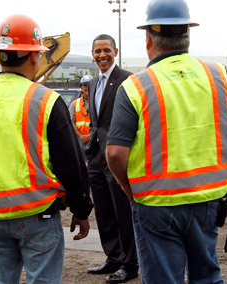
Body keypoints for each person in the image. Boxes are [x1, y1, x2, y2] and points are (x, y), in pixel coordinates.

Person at [105, 0, 227, 282]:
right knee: (207, 275)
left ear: (149, 39)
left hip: (155, 202)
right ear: (187, 35)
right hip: (209, 197)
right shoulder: (220, 76)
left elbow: (115, 153)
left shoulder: (136, 85)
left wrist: (130, 190)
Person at [0, 15, 93, 284]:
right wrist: (81, 208)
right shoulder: (46, 99)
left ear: (0, 56)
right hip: (37, 213)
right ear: (33, 57)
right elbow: (70, 163)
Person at [85, 34, 138, 283]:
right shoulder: (94, 82)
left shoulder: (127, 79)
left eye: (106, 50)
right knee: (104, 212)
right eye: (97, 51)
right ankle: (113, 257)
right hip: (96, 157)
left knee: (122, 212)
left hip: (117, 157)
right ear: (93, 54)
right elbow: (97, 122)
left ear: (115, 51)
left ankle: (130, 263)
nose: (102, 55)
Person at [69, 74, 93, 159]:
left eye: (89, 85)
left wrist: (90, 137)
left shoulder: (98, 103)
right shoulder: (75, 104)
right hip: (80, 141)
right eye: (85, 85)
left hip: (94, 140)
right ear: (81, 88)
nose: (87, 88)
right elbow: (72, 123)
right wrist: (81, 137)